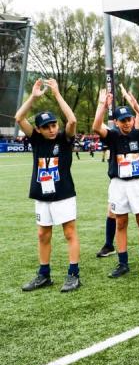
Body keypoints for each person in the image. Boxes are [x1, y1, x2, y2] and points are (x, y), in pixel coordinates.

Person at [16, 79, 81, 292]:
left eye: (53, 125)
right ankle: (44, 274)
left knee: (69, 233)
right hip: (42, 195)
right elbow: (19, 118)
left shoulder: (64, 139)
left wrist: (57, 95)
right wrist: (33, 97)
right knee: (43, 234)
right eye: (46, 127)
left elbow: (72, 120)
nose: (51, 129)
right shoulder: (36, 140)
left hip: (63, 195)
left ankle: (74, 274)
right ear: (39, 129)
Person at [93, 86, 139, 278]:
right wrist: (102, 106)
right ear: (116, 122)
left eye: (129, 119)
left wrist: (137, 107)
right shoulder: (112, 136)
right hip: (118, 183)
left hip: (138, 183)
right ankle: (123, 263)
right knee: (121, 223)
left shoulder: (138, 134)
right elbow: (96, 127)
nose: (127, 123)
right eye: (122, 121)